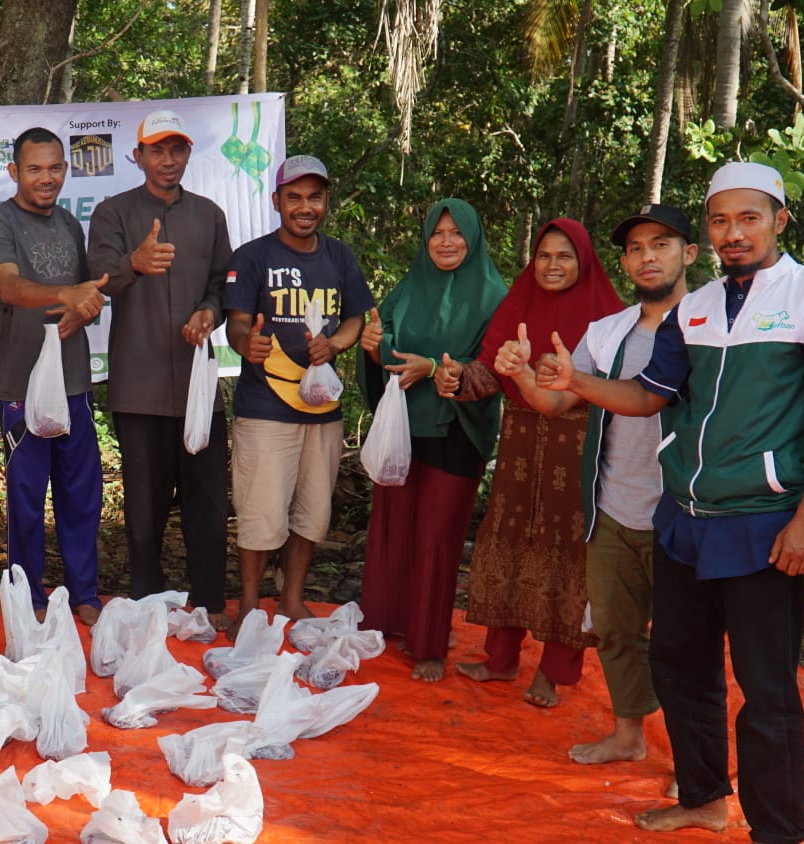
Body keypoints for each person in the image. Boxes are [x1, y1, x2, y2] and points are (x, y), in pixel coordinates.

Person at [541, 162, 804, 841]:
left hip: (763, 525)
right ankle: (704, 798)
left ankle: (779, 830)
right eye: (720, 220)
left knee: (766, 691)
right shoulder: (697, 307)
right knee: (680, 667)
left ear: (779, 219)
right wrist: (578, 381)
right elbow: (649, 396)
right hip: (682, 523)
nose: (733, 233)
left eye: (748, 218)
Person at [495, 205, 696, 761]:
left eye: (660, 244)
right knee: (616, 632)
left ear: (689, 254)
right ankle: (629, 736)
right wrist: (519, 376)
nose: (647, 257)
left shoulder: (713, 328)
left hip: (684, 510)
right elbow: (558, 401)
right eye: (635, 248)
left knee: (683, 644)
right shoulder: (607, 333)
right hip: (611, 505)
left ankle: (692, 764)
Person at [454, 219, 625, 707]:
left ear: (585, 261)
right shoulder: (519, 301)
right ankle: (501, 658)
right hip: (521, 441)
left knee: (568, 550)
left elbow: (619, 387)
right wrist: (458, 379)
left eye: (564, 256)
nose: (552, 266)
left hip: (577, 447)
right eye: (544, 255)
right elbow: (491, 369)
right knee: (509, 538)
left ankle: (553, 672)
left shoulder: (609, 316)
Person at [87, 109, 234, 627]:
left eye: (177, 150)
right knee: (144, 509)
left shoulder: (210, 216)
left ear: (188, 154)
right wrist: (134, 263)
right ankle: (147, 608)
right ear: (138, 155)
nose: (168, 160)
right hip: (139, 385)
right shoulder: (113, 212)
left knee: (209, 502)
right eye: (157, 150)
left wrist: (209, 312)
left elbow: (223, 283)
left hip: (197, 385)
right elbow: (99, 277)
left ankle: (210, 604)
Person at [357, 198, 507, 682]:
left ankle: (428, 644)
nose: (446, 242)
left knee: (437, 538)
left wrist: (438, 369)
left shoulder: (493, 295)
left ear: (473, 238)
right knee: (395, 527)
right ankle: (389, 623)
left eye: (456, 233)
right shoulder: (409, 285)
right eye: (437, 233)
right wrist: (376, 345)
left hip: (456, 430)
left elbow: (493, 362)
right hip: (405, 424)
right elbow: (385, 337)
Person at [223, 155, 371, 638]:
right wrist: (248, 343)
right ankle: (248, 605)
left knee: (313, 512)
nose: (304, 207)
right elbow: (237, 322)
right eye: (294, 198)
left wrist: (339, 342)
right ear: (277, 202)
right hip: (266, 408)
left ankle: (291, 599)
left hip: (323, 410)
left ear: (325, 202)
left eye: (314, 197)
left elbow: (356, 317)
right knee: (260, 511)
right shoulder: (252, 257)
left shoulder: (340, 256)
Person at [0, 126, 108, 625]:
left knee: (81, 497)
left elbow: (88, 291)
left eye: (55, 168)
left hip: (74, 383)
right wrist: (66, 295)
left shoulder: (72, 225)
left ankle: (85, 594)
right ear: (14, 172)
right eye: (34, 168)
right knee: (27, 503)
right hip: (22, 388)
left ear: (66, 171)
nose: (46, 178)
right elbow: (10, 288)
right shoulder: (0, 223)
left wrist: (84, 304)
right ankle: (27, 598)